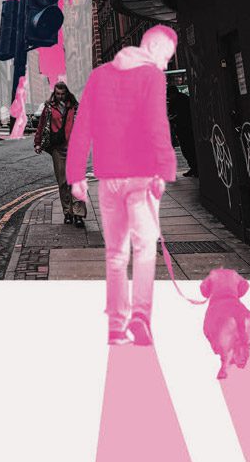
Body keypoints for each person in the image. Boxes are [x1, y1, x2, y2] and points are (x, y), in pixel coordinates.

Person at [67, 27, 182, 347]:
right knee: (144, 250)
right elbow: (158, 124)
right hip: (142, 176)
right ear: (155, 47)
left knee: (116, 254)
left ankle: (116, 326)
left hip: (109, 179)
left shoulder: (100, 75)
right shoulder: (151, 76)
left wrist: (76, 175)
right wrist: (165, 170)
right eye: (166, 56)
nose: (164, 64)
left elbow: (83, 125)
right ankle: (141, 318)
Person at [34, 78, 81, 224]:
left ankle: (78, 214)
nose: (60, 96)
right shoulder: (49, 108)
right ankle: (67, 212)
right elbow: (41, 126)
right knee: (63, 182)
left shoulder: (75, 106)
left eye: (62, 93)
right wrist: (37, 143)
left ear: (67, 93)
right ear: (55, 93)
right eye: (58, 93)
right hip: (58, 149)